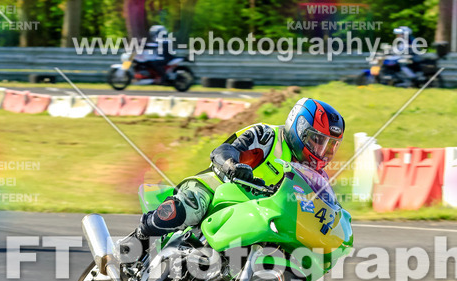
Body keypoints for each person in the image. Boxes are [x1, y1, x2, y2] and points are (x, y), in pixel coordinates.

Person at [123, 98, 345, 256]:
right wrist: (232, 165)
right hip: (219, 190)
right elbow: (224, 150)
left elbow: (321, 209)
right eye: (318, 140)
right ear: (299, 128)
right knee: (188, 207)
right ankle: (135, 241)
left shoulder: (316, 176)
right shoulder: (267, 135)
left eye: (330, 145)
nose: (322, 150)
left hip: (257, 215)